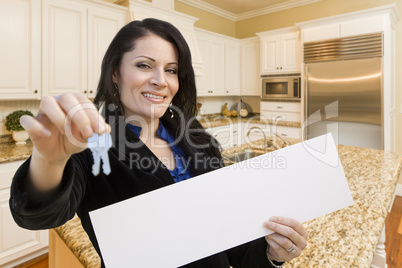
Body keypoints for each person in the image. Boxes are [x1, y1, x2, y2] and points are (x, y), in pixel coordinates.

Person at [9, 18, 308, 268]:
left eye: (171, 69)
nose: (160, 80)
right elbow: (38, 214)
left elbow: (231, 243)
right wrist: (49, 159)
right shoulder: (90, 145)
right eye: (144, 65)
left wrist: (272, 254)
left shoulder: (195, 137)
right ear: (115, 72)